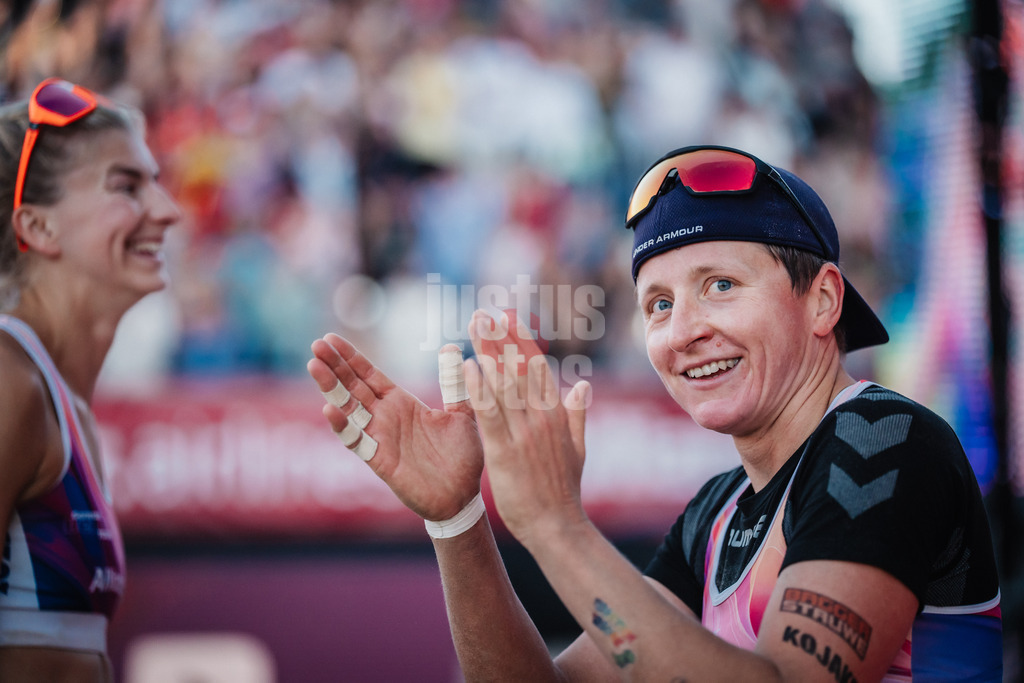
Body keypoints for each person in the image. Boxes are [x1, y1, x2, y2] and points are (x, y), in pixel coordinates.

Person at [307, 145, 1003, 681]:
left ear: (823, 300)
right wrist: (458, 519)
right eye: (659, 304)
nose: (683, 330)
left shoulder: (887, 439)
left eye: (720, 285)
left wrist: (555, 526)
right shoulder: (719, 510)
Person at [0, 78, 181, 682]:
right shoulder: (9, 380)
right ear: (40, 228)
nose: (167, 210)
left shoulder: (59, 397)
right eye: (127, 186)